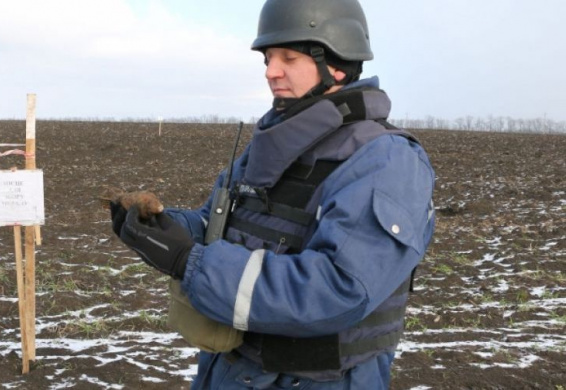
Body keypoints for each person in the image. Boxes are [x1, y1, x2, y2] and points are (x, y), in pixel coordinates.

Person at [110, 0, 436, 388]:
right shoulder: (271, 145)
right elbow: (221, 227)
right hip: (229, 371)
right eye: (267, 58)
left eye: (289, 57)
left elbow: (337, 288)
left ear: (337, 64)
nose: (270, 71)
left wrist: (191, 262)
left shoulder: (385, 160)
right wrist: (163, 229)